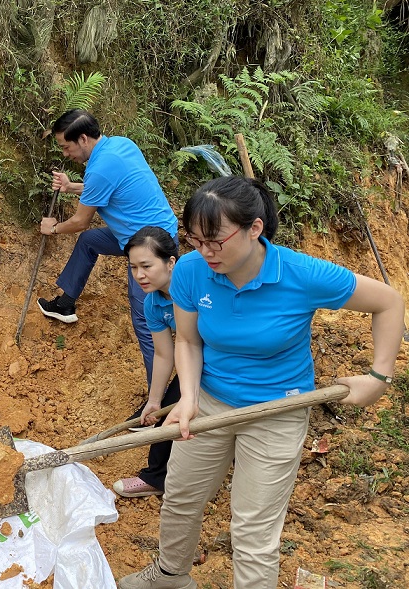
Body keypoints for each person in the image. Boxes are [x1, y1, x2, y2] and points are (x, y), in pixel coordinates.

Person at [119, 176, 404, 589]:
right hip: (212, 402)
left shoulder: (301, 274)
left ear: (254, 228)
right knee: (180, 500)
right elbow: (187, 340)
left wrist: (379, 376)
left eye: (216, 240)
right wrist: (190, 398)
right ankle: (170, 575)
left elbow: (388, 302)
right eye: (196, 240)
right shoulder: (192, 272)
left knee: (253, 531)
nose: (205, 251)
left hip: (278, 412)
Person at [38, 109, 178, 392]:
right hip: (142, 233)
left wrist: (52, 228)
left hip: (149, 245)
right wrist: (70, 186)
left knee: (145, 322)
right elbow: (102, 187)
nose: (65, 154)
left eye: (66, 147)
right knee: (90, 242)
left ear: (84, 139)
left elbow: (79, 221)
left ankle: (159, 398)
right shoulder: (120, 145)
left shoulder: (99, 167)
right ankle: (66, 304)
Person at [112, 226, 180, 498]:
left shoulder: (194, 283)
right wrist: (153, 400)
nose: (139, 275)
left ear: (170, 262)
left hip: (229, 358)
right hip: (196, 361)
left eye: (146, 266)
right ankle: (156, 477)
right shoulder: (153, 303)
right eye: (133, 267)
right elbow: (164, 354)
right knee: (166, 410)